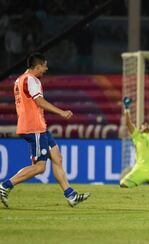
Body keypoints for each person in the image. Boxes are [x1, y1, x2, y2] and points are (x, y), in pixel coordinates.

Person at [0, 53, 91, 208]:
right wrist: (61, 112)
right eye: (45, 66)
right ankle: (5, 186)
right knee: (40, 167)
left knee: (57, 157)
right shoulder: (31, 80)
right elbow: (39, 101)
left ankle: (71, 195)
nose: (46, 69)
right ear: (38, 66)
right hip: (33, 126)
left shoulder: (20, 79)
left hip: (39, 126)